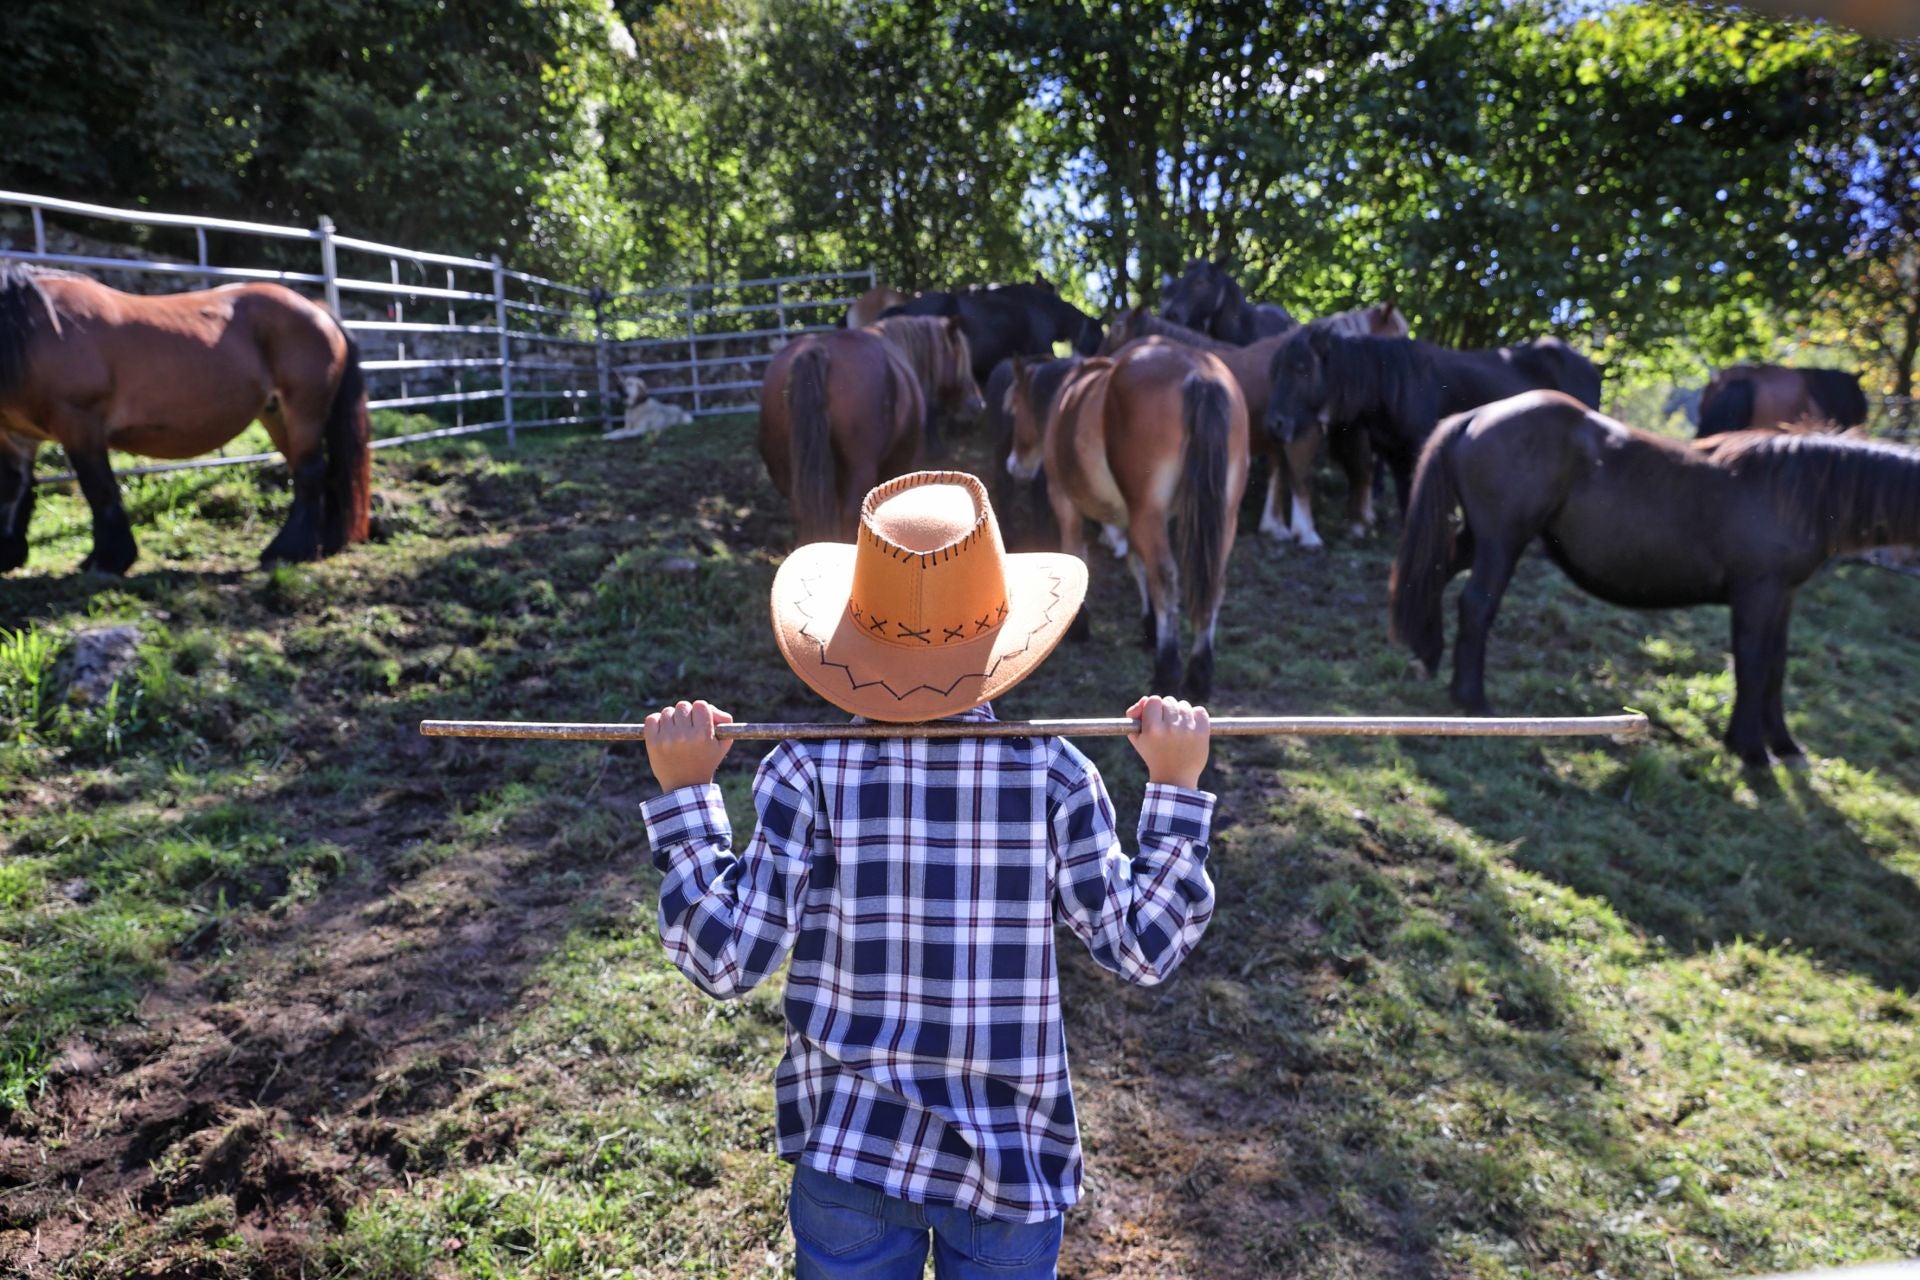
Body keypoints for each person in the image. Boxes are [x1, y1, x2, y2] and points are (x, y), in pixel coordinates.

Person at [640, 470, 1218, 1279]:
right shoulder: (1054, 776)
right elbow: (1143, 947)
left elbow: (726, 956)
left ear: (852, 633)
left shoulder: (805, 772)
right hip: (1008, 1170)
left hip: (849, 1155)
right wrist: (1175, 787)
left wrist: (689, 798)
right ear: (1000, 628)